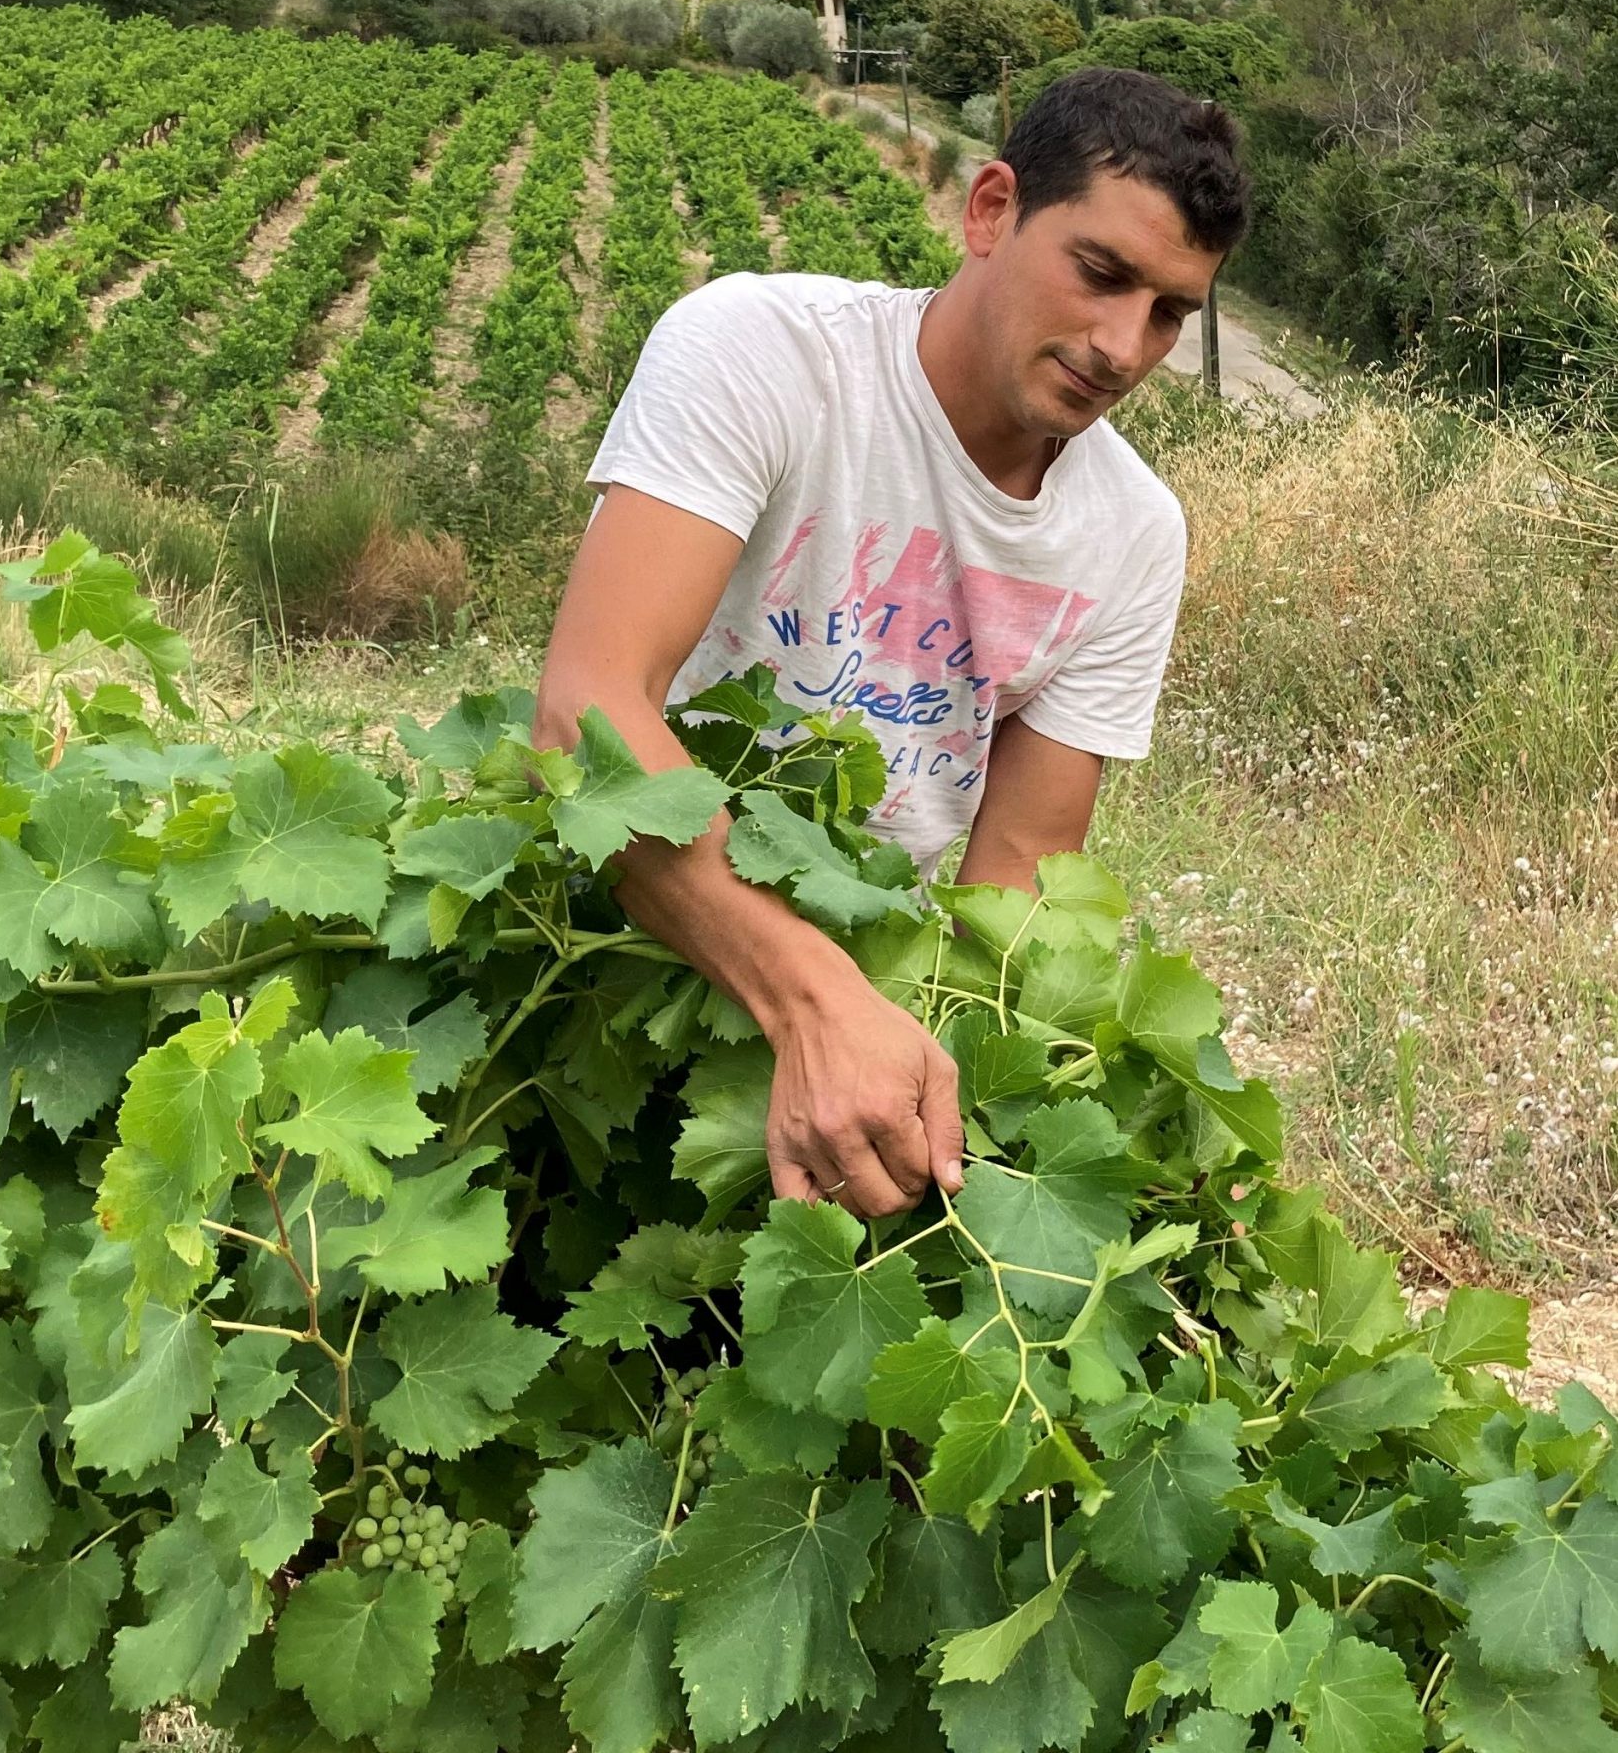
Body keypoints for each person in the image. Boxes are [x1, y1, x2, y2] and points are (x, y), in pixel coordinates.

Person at [534, 66, 1251, 1225]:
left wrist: (928, 1079)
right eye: (1102, 274)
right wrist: (812, 1003)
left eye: (1170, 312)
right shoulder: (762, 353)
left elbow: (1014, 880)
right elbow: (587, 708)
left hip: (888, 995)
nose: (1125, 345)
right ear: (990, 209)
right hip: (619, 933)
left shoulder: (1133, 533)